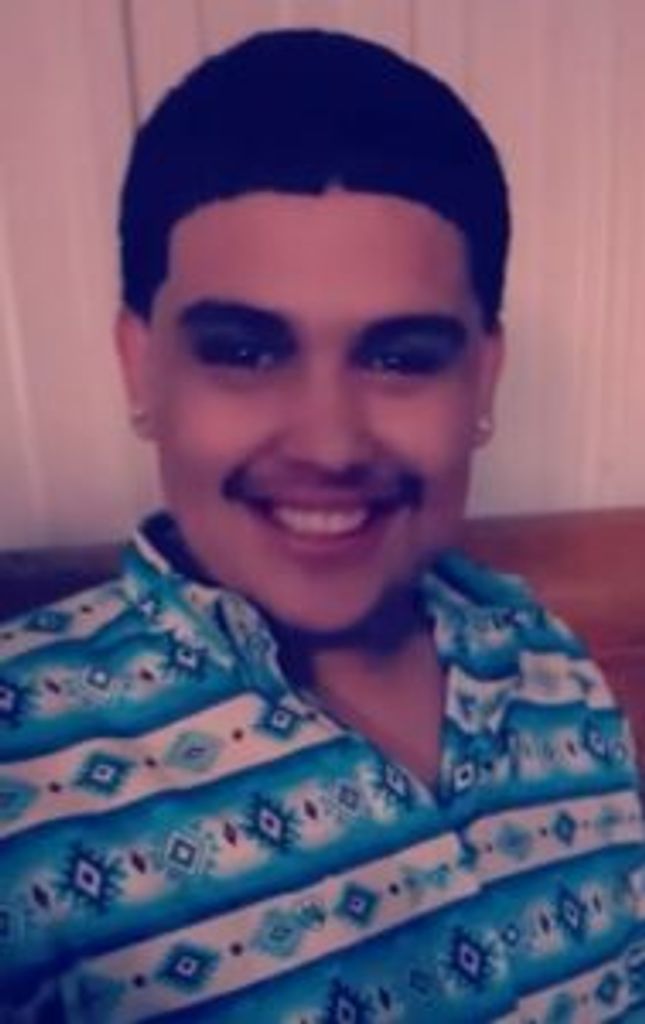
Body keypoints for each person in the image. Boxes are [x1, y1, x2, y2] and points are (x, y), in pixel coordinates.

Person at [1, 28, 643, 1023]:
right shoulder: (22, 757)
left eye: (400, 358)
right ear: (141, 367)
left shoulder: (551, 666)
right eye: (244, 351)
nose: (330, 443)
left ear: (482, 378)